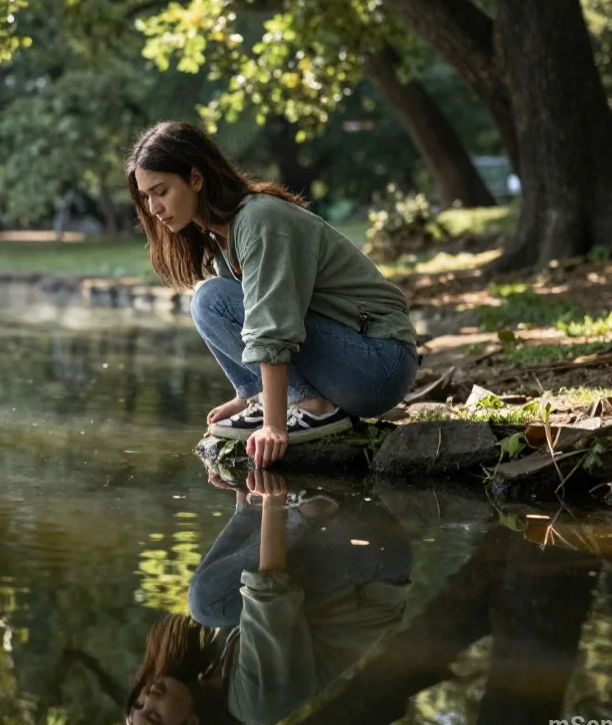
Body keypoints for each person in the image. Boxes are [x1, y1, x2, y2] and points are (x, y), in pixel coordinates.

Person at [126, 121, 420, 467]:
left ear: (195, 178)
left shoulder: (260, 220)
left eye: (161, 191)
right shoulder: (219, 235)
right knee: (208, 299)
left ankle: (312, 406)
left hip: (379, 362)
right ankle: (258, 396)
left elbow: (271, 323)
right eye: (146, 197)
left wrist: (273, 427)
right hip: (355, 361)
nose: (153, 208)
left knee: (213, 299)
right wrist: (248, 395)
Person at [124, 471, 412, 725]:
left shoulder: (209, 671)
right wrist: (273, 498)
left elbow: (248, 569)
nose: (148, 697)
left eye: (139, 704)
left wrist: (242, 484)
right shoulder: (254, 704)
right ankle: (296, 510)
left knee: (211, 605)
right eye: (155, 716)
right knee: (205, 605)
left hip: (348, 550)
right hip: (377, 567)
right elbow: (270, 585)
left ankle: (254, 497)